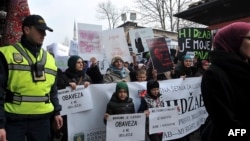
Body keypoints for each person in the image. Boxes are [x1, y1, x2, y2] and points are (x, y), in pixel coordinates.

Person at [0, 14, 63, 141]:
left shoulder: (50, 59)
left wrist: (57, 112)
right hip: (14, 120)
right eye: (40, 30)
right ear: (27, 30)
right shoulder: (6, 54)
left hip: (42, 121)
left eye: (45, 31)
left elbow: (53, 90)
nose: (44, 34)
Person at [201, 22, 250, 141]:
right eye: (249, 38)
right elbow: (227, 127)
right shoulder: (214, 75)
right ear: (233, 40)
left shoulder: (246, 68)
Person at [56, 55, 92, 141]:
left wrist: (89, 84)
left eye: (82, 63)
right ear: (72, 64)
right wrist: (67, 85)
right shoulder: (63, 76)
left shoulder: (85, 76)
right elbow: (58, 90)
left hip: (82, 111)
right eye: (78, 62)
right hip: (68, 114)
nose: (81, 65)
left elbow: (92, 92)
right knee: (68, 134)